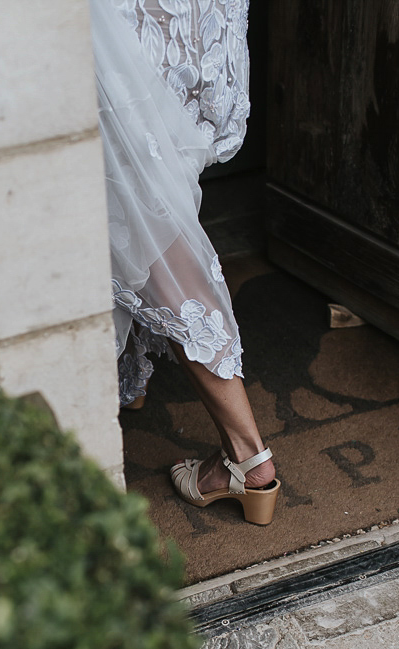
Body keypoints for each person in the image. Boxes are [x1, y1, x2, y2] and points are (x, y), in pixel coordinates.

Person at [92, 0, 280, 524]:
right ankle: (133, 377)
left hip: (117, 24)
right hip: (186, 19)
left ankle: (247, 457)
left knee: (141, 207)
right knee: (149, 191)